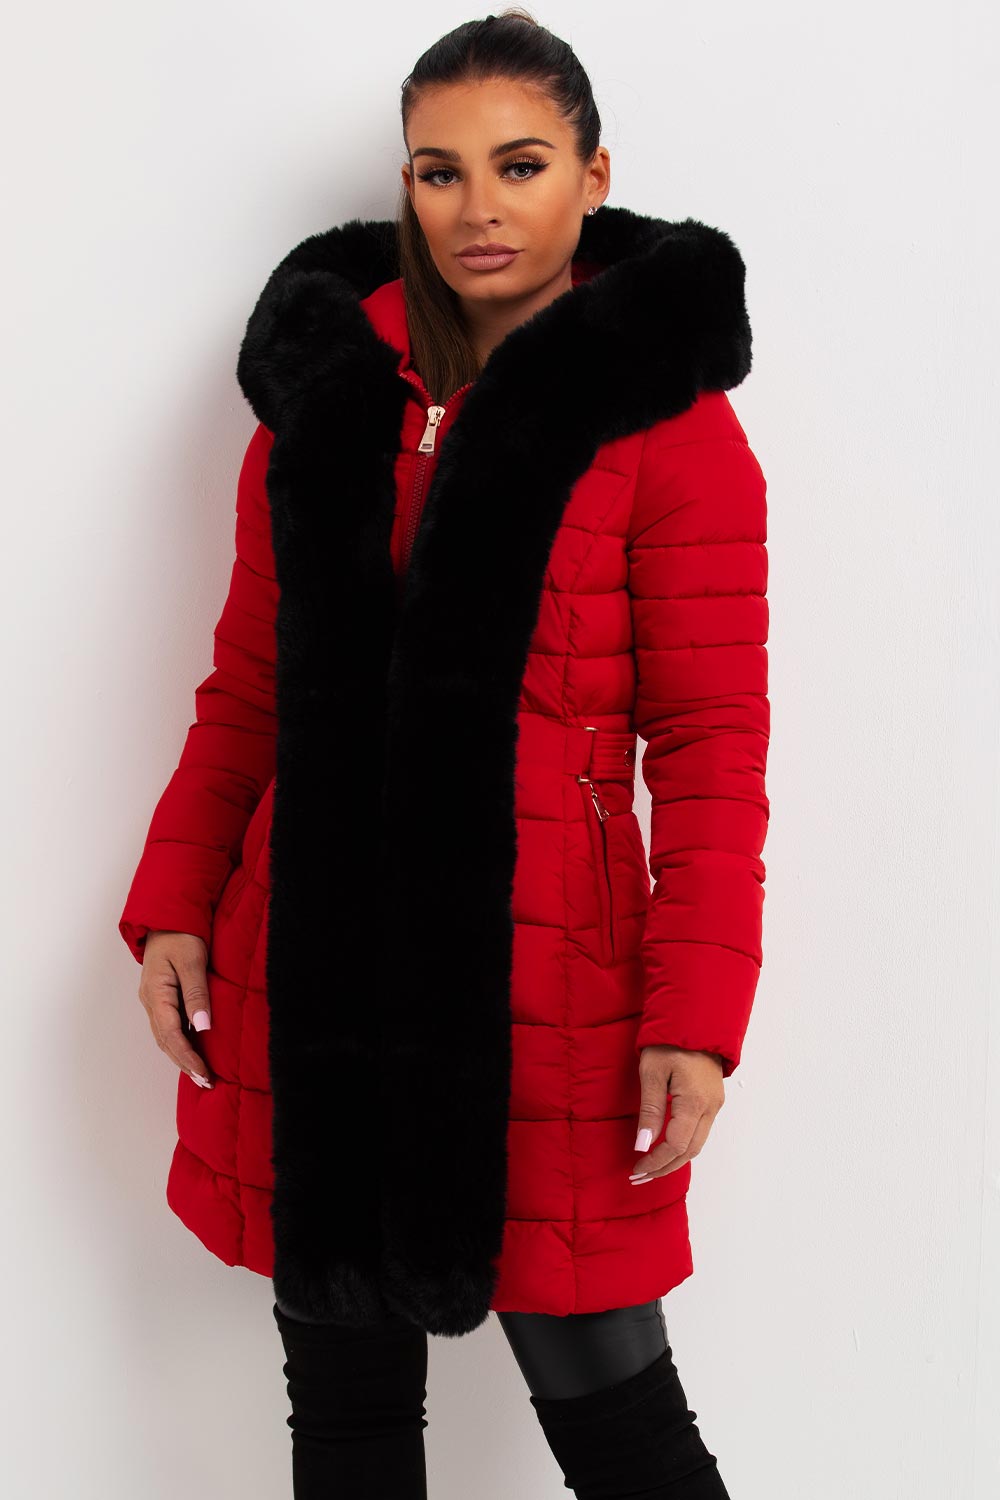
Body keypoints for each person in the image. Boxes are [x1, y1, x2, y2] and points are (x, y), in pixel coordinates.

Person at [118, 9, 770, 1497]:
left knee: (622, 1426)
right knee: (345, 1425)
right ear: (406, 183)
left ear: (593, 177)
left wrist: (695, 1015)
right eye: (440, 170)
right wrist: (175, 903)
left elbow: (712, 746)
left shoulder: (672, 429)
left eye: (521, 165)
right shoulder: (325, 400)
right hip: (311, 966)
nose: (480, 207)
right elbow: (250, 687)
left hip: (551, 988)